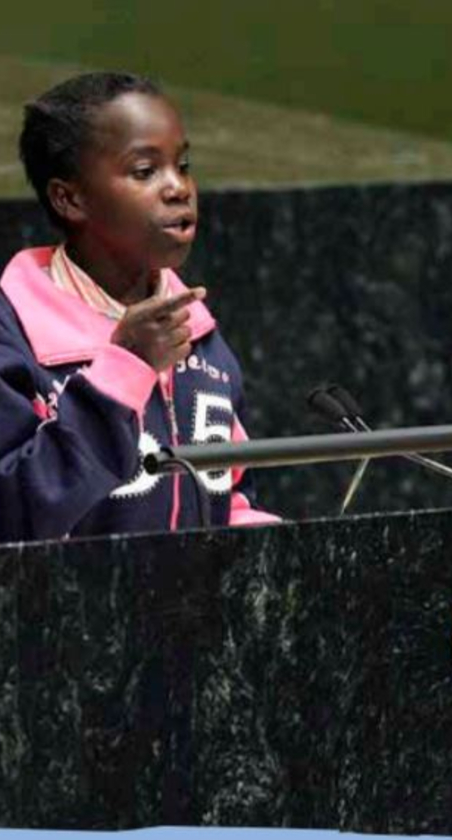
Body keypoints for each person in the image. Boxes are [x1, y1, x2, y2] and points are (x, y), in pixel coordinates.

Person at [0, 71, 277, 542]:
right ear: (69, 198)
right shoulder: (14, 337)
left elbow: (229, 499)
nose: (179, 188)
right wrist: (122, 369)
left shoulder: (201, 337)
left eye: (183, 165)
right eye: (145, 171)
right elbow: (13, 510)